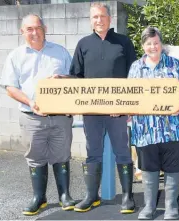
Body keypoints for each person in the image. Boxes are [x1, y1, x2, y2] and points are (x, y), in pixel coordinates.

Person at [0, 14, 75, 215]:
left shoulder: (60, 52)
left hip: (60, 116)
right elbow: (10, 87)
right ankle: (39, 198)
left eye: (38, 28)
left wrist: (64, 78)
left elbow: (75, 79)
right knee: (35, 158)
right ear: (22, 32)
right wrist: (30, 102)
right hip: (31, 117)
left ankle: (64, 196)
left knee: (62, 155)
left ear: (45, 28)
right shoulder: (15, 56)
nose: (34, 32)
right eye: (29, 29)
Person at [68, 2, 137, 214]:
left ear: (110, 18)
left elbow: (133, 76)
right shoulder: (83, 44)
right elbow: (76, 77)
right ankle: (91, 196)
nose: (99, 20)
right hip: (91, 112)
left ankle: (127, 196)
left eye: (102, 16)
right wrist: (61, 80)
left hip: (117, 111)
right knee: (93, 153)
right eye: (95, 17)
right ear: (91, 21)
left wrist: (126, 106)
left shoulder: (123, 42)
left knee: (122, 152)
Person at [127, 26, 179, 220]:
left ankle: (171, 207)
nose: (153, 47)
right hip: (145, 129)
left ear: (161, 44)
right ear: (143, 46)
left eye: (156, 43)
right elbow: (129, 96)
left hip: (174, 128)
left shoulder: (175, 65)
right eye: (148, 44)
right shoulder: (135, 67)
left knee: (174, 167)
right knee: (148, 167)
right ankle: (149, 207)